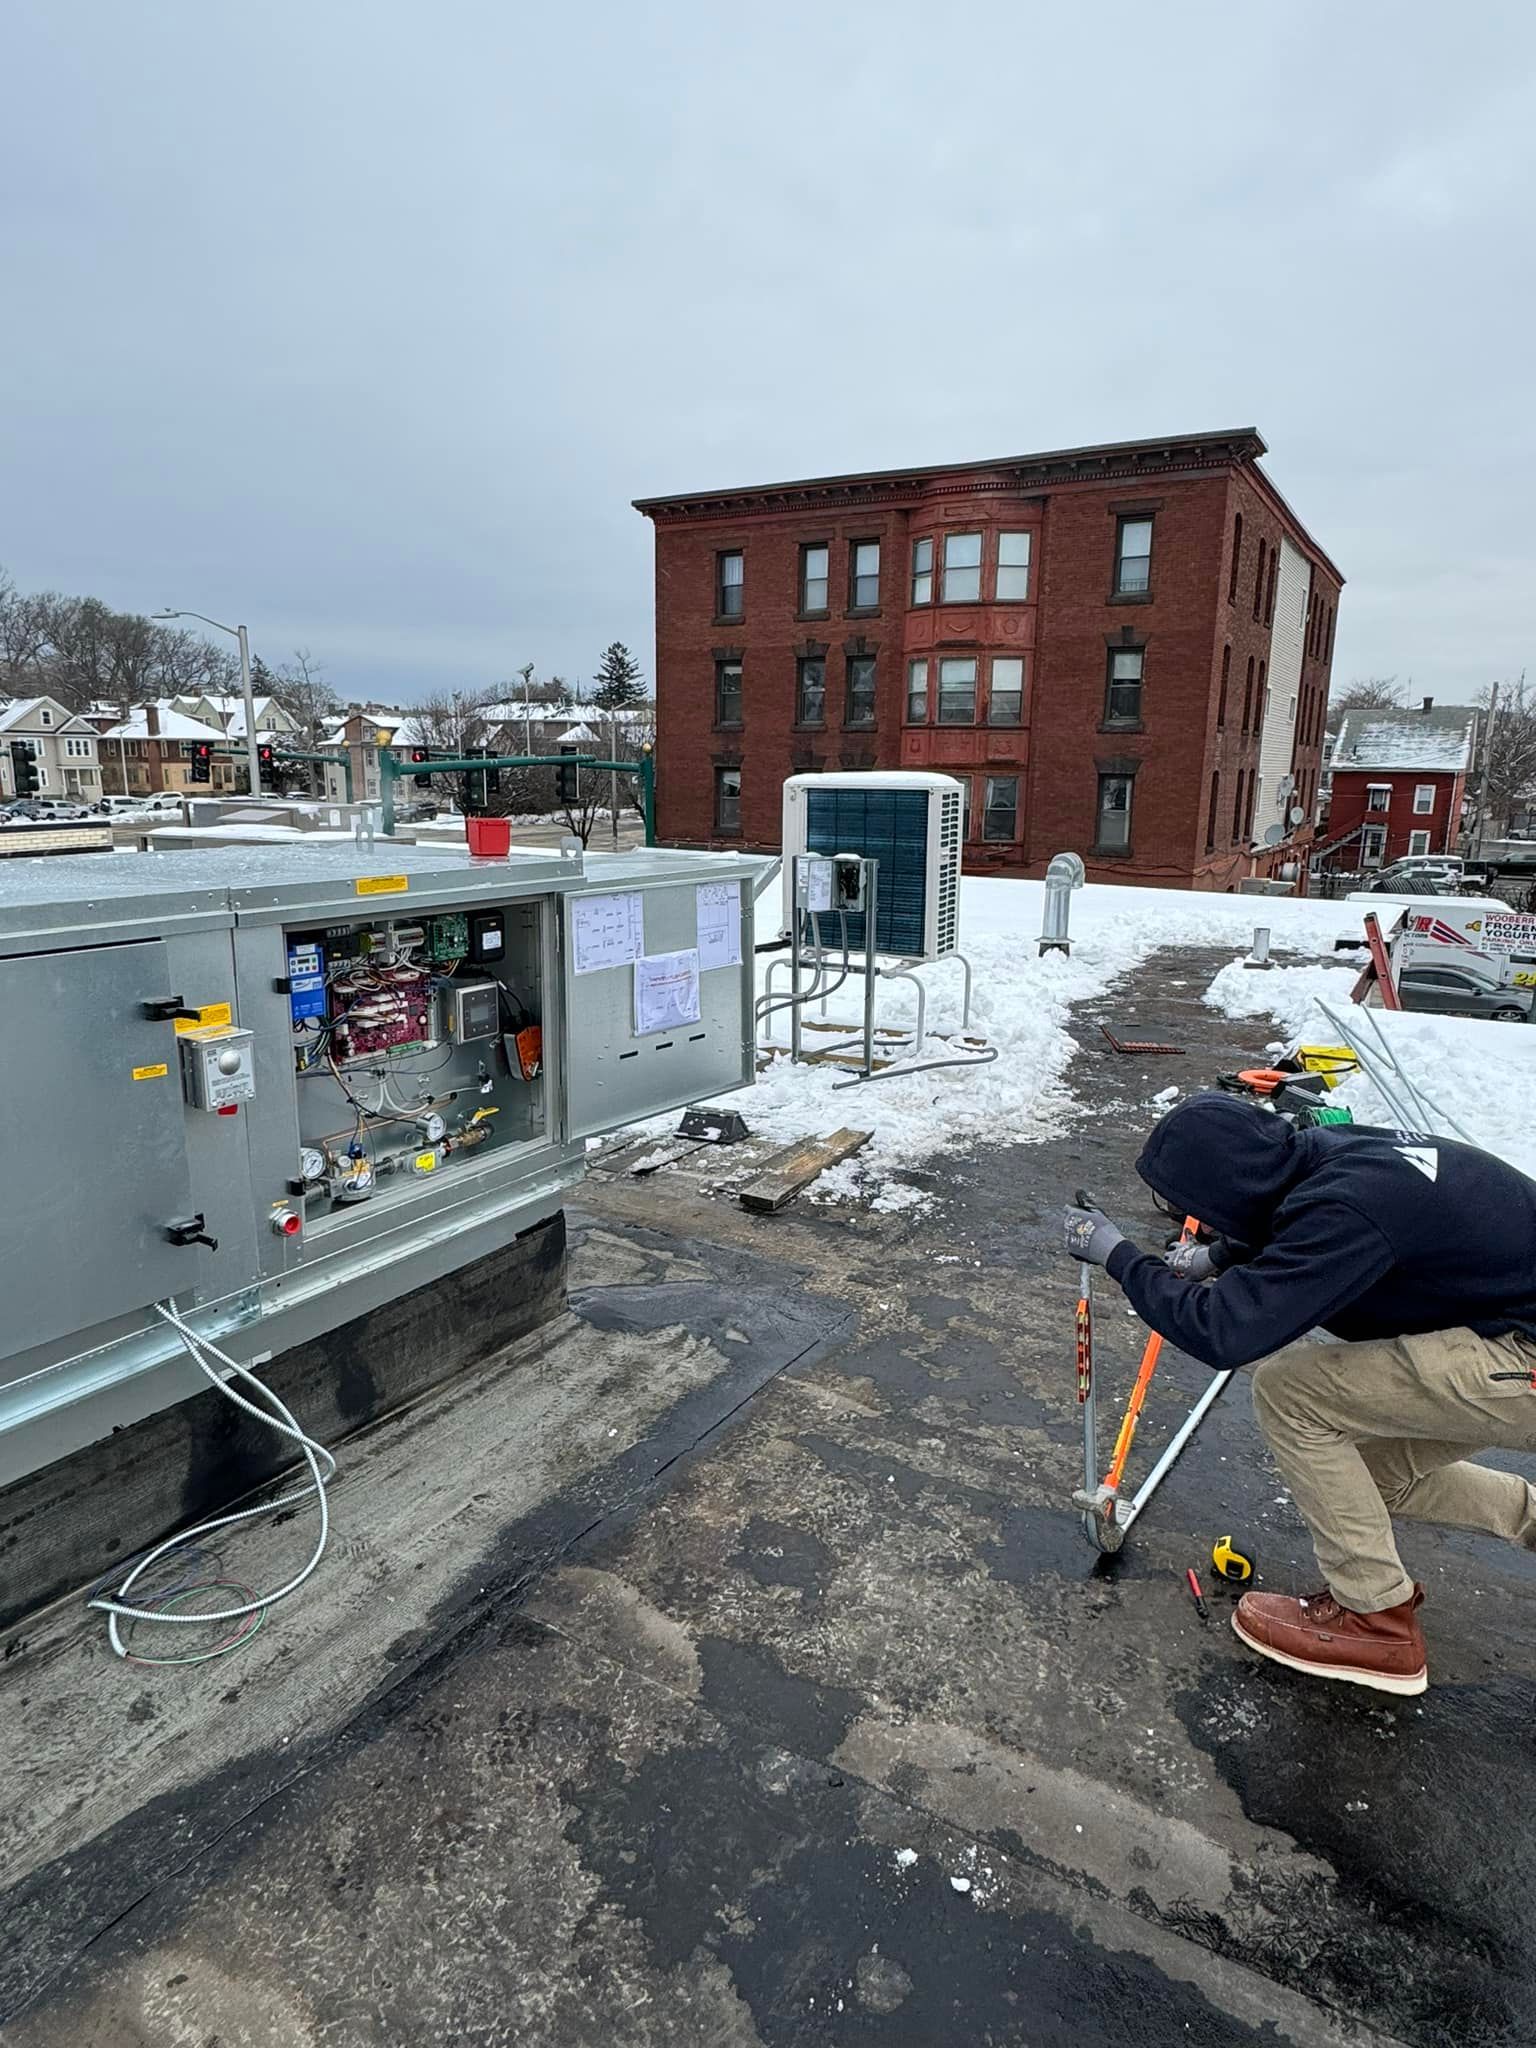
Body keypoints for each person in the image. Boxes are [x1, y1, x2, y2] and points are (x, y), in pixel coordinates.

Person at [1064, 1092, 1536, 1696]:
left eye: (1188, 1204)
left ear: (1224, 1188)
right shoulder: (1330, 1154)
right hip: (1506, 1329)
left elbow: (1227, 1331)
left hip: (1521, 1354)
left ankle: (1376, 1621)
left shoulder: (1347, 1208)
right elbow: (1293, 1221)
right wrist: (1215, 1256)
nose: (1188, 1215)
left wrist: (1122, 1258)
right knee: (1366, 1482)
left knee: (1292, 1390)